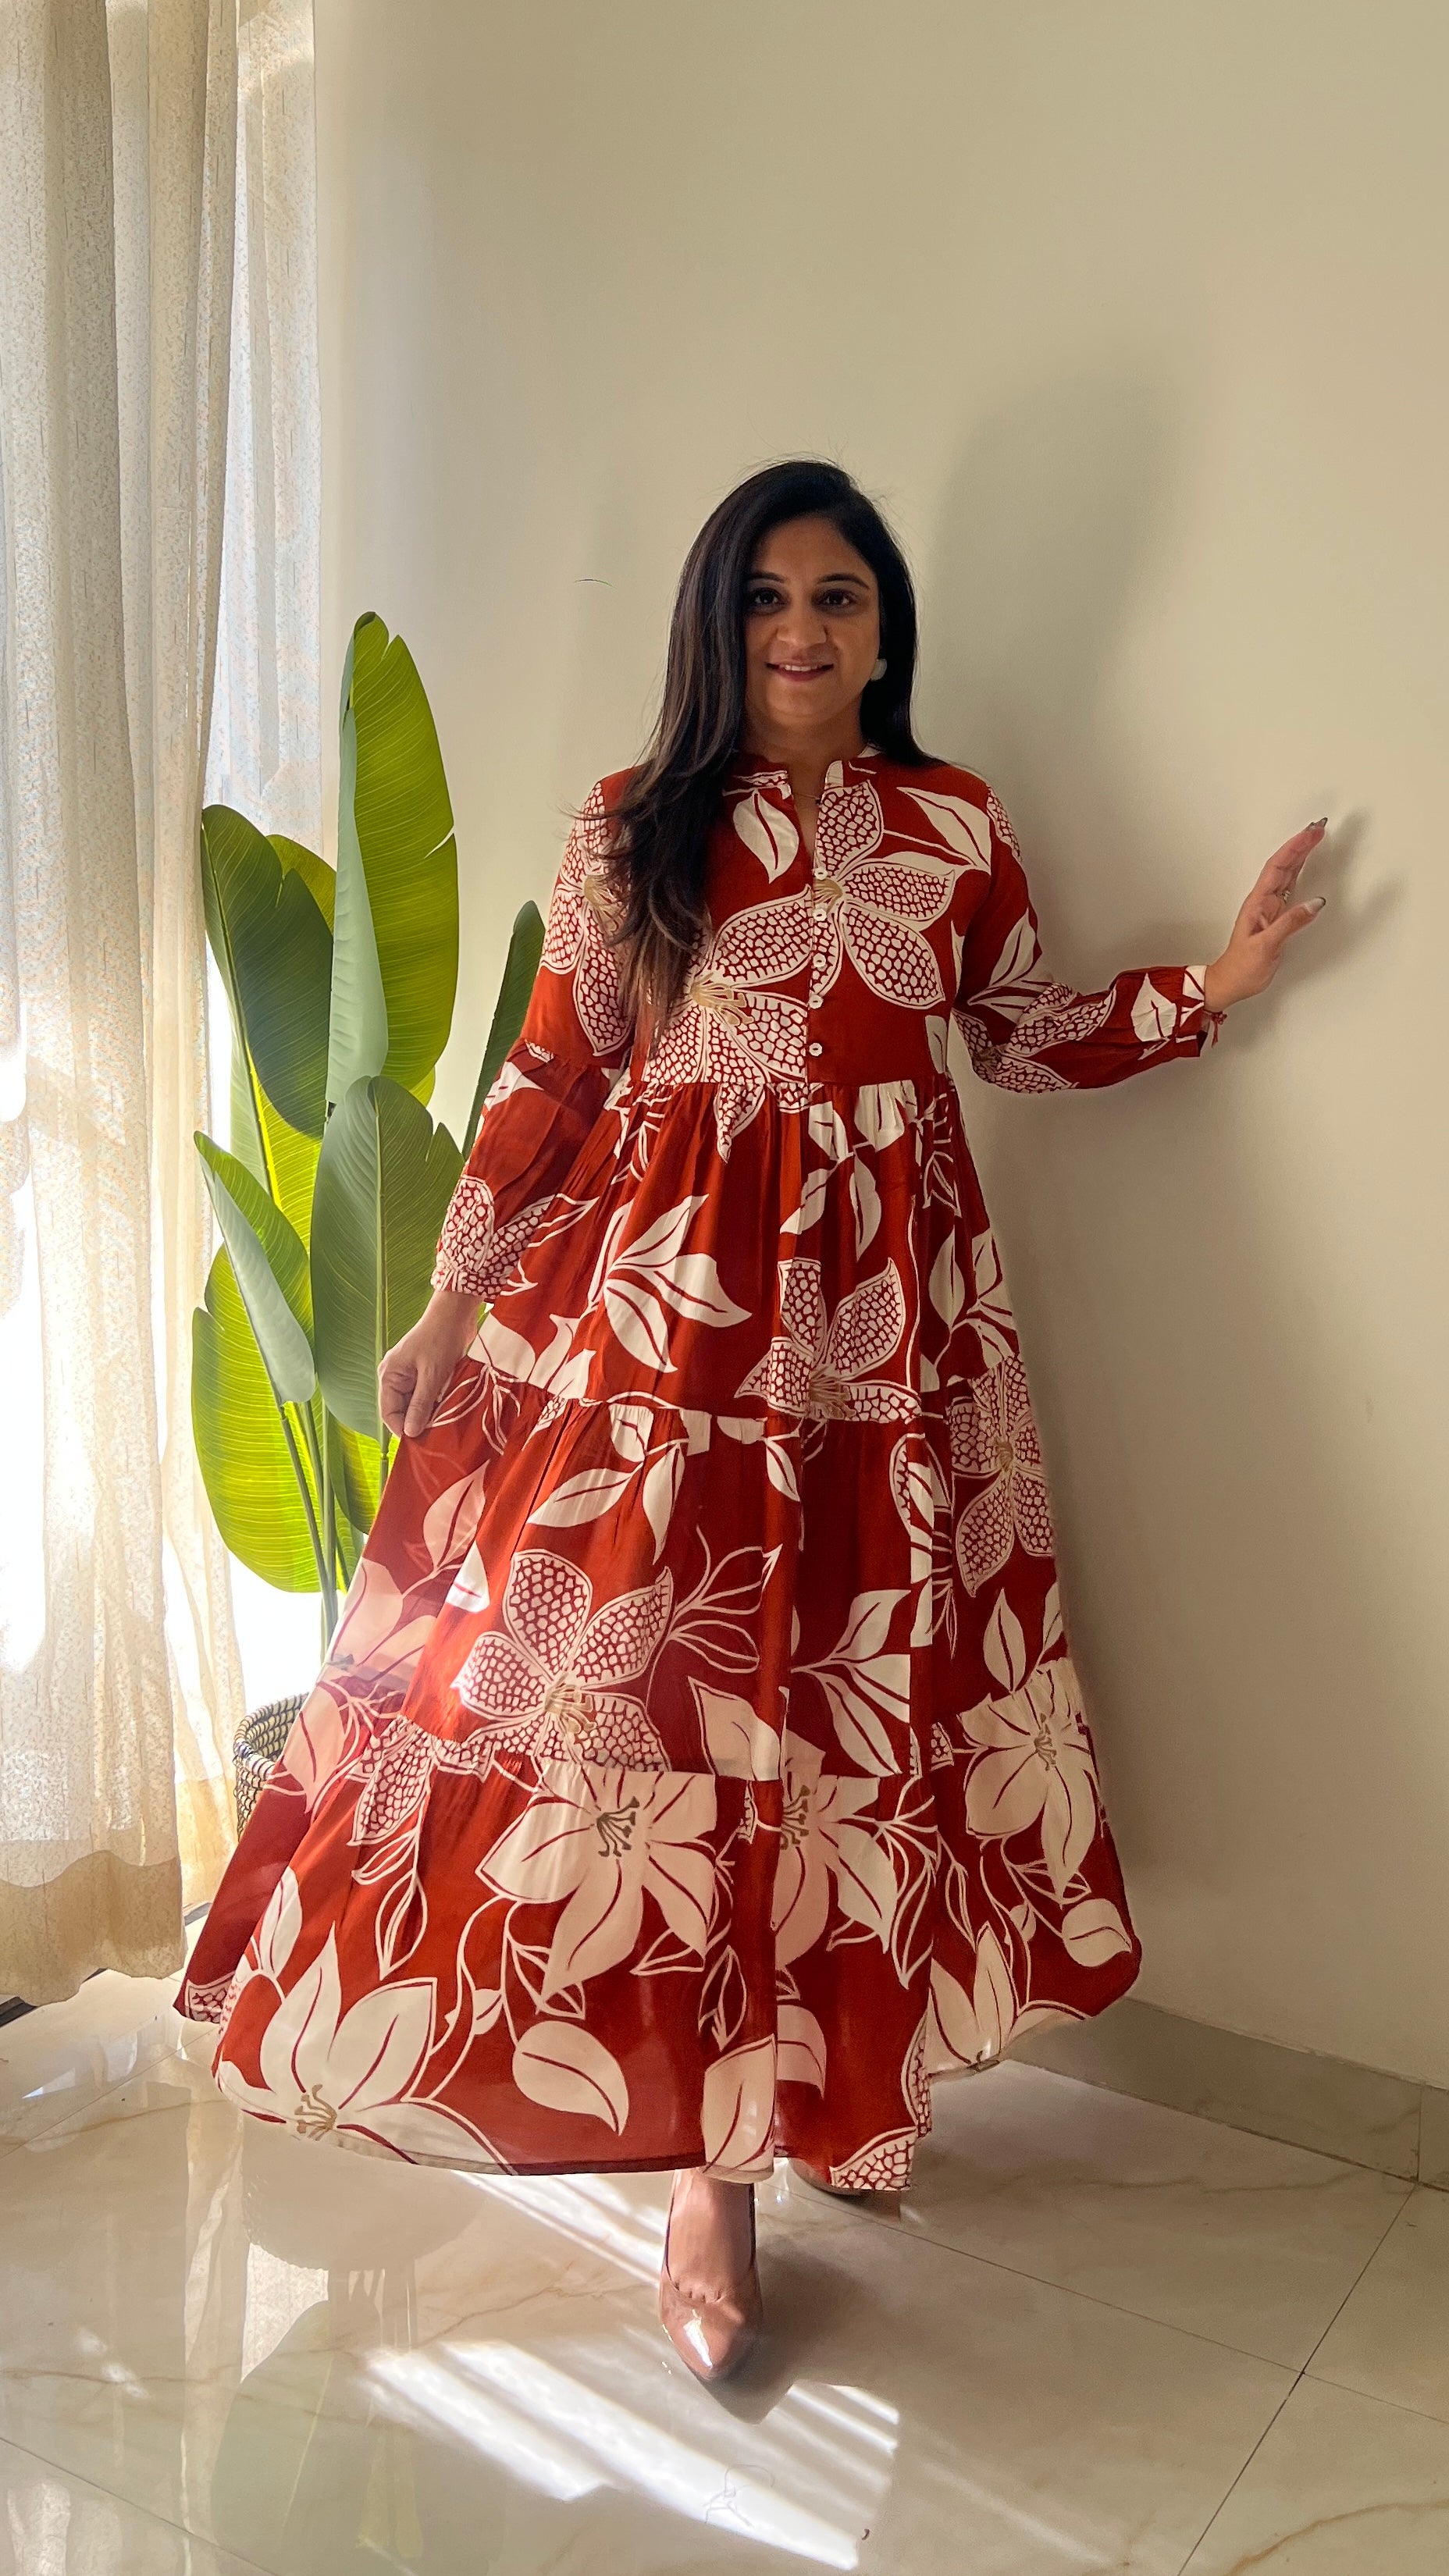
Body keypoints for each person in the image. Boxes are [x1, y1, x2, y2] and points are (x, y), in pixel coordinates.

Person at [182, 460, 1326, 2383]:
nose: (801, 630)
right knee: (675, 1719)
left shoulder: (953, 824)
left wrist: (1211, 986)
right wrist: (451, 1304)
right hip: (679, 1335)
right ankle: (709, 2176)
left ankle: (844, 2084)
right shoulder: (634, 824)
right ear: (717, 624)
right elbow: (554, 1081)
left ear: (884, 630)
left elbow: (1014, 1028)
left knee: (863, 1704)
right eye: (766, 597)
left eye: (838, 597)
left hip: (896, 1340)